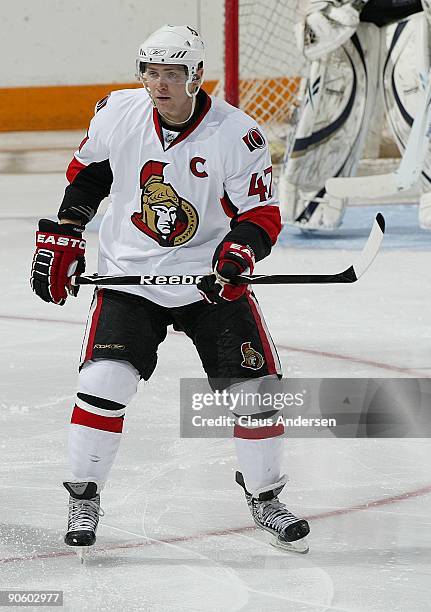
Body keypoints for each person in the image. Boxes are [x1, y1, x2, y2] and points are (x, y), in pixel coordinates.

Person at [30, 25, 310, 553]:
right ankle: (84, 496)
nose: (158, 85)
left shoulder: (237, 133)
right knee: (104, 385)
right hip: (130, 276)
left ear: (196, 75)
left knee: (255, 397)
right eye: (150, 72)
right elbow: (90, 175)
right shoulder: (118, 111)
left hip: (210, 283)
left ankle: (266, 498)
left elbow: (261, 215)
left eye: (172, 74)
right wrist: (69, 227)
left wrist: (238, 253)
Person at [280, 0, 431, 230]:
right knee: (332, 100)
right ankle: (313, 193)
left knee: (419, 92)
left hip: (417, 15)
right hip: (349, 18)